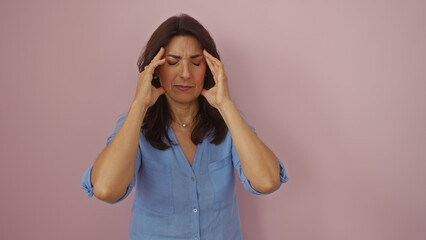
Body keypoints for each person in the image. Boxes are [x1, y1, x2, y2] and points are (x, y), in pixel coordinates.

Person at [81, 13, 288, 240]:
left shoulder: (230, 124)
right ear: (156, 69)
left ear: (208, 68)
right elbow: (106, 189)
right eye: (173, 62)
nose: (185, 73)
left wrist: (226, 105)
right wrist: (139, 104)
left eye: (196, 63)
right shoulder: (135, 126)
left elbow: (267, 181)